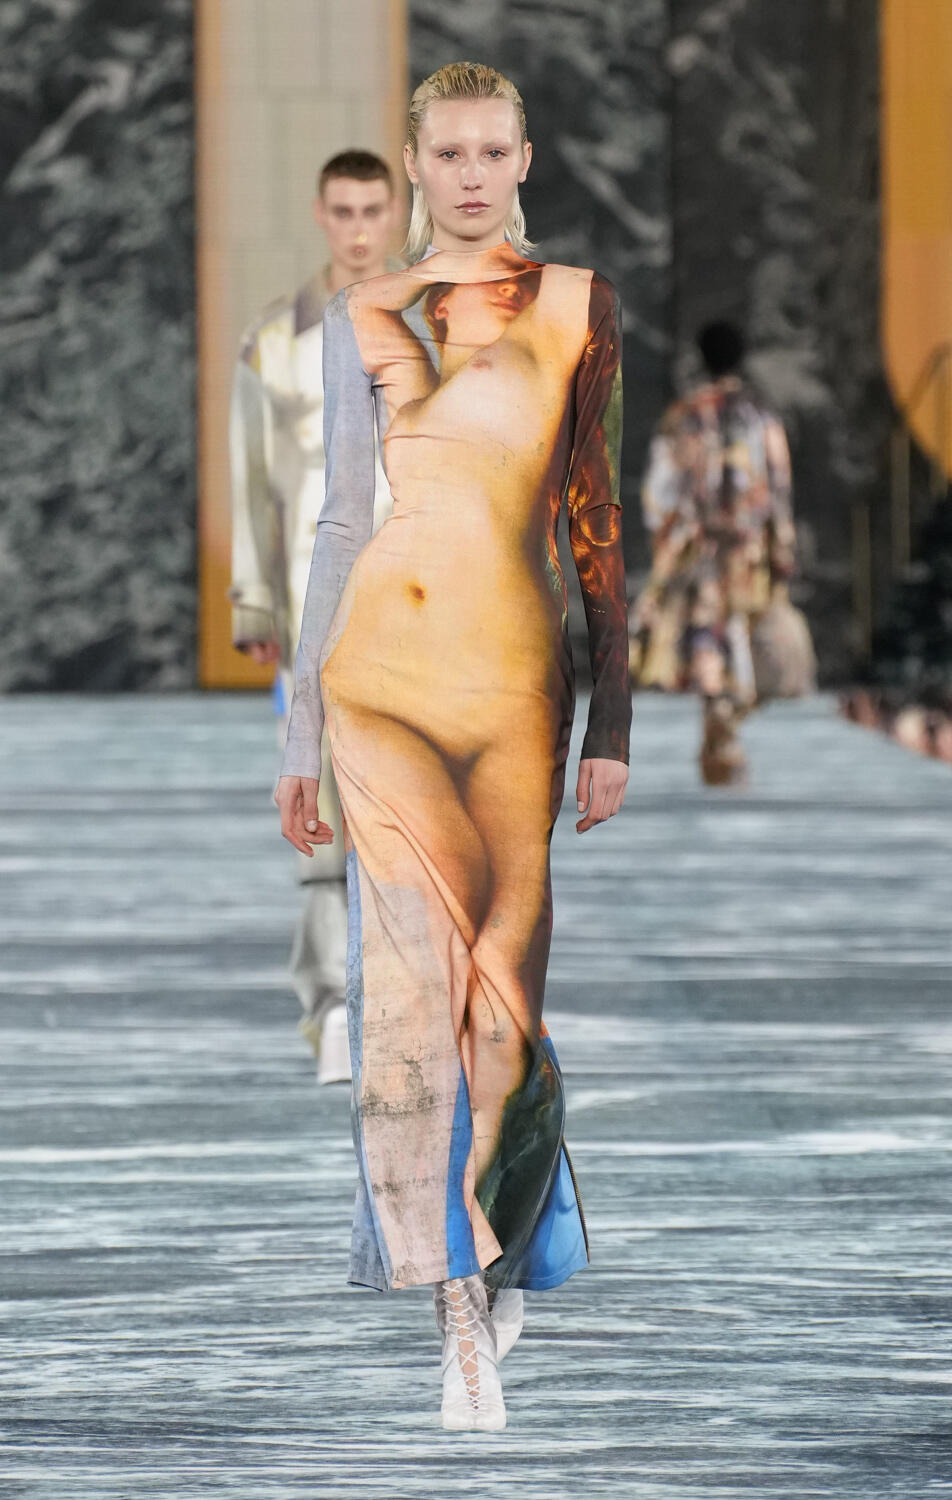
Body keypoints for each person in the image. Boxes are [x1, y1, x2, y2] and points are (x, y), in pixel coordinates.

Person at [275, 63, 630, 1431]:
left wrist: (612, 722)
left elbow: (595, 521)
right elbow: (340, 525)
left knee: (502, 1000)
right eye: (449, 154)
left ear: (525, 157)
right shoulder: (364, 311)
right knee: (409, 1005)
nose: (471, 174)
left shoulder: (579, 306)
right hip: (382, 690)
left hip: (516, 696)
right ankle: (457, 1310)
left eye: (493, 151)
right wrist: (302, 729)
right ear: (417, 166)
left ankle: (511, 1244)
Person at [229, 151, 398, 1084]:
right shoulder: (274, 339)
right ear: (321, 214)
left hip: (410, 596)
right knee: (318, 796)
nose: (360, 230)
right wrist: (253, 596)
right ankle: (332, 1003)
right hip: (309, 600)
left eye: (373, 210)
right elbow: (251, 474)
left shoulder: (423, 325)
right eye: (345, 211)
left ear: (393, 211)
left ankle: (396, 997)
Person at [631, 321, 799, 784]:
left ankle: (719, 725)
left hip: (700, 545)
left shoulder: (685, 414)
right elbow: (779, 484)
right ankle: (725, 730)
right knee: (744, 633)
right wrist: (782, 543)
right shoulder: (760, 415)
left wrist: (670, 539)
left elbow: (662, 488)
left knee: (708, 634)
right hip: (749, 548)